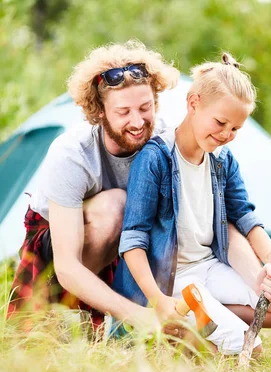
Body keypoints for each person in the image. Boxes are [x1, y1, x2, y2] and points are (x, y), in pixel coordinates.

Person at [115, 53, 271, 354]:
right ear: (193, 104)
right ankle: (178, 324)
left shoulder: (222, 159)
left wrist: (269, 256)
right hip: (172, 281)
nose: (226, 135)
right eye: (220, 123)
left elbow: (243, 214)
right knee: (251, 351)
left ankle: (203, 324)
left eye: (235, 129)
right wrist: (158, 300)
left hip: (209, 268)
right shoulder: (155, 158)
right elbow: (132, 241)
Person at [7, 40, 181, 330]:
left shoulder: (166, 142)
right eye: (123, 112)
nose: (137, 121)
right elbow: (67, 267)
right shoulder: (73, 153)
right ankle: (62, 317)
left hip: (129, 247)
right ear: (99, 111)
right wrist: (138, 316)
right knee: (116, 205)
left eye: (145, 107)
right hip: (60, 250)